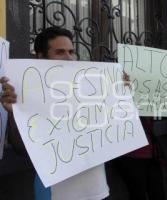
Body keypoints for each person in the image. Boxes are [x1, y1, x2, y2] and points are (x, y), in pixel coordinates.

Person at [0, 27, 110, 200]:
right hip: (55, 194)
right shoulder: (27, 94)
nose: (69, 58)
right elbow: (21, 148)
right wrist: (14, 113)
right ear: (41, 56)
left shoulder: (90, 86)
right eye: (60, 52)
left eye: (71, 52)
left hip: (99, 190)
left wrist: (121, 92)